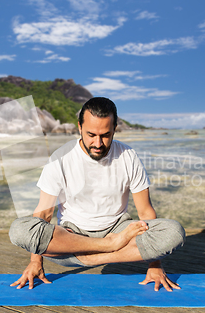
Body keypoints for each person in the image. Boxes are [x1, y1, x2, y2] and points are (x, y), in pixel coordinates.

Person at [9, 97, 185, 291]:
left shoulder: (128, 156)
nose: (98, 143)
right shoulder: (60, 158)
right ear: (79, 127)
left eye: (105, 135)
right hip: (73, 236)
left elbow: (145, 212)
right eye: (91, 134)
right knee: (20, 230)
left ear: (115, 128)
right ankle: (108, 247)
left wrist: (155, 265)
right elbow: (43, 215)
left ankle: (98, 252)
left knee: (173, 232)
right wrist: (36, 262)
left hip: (118, 230)